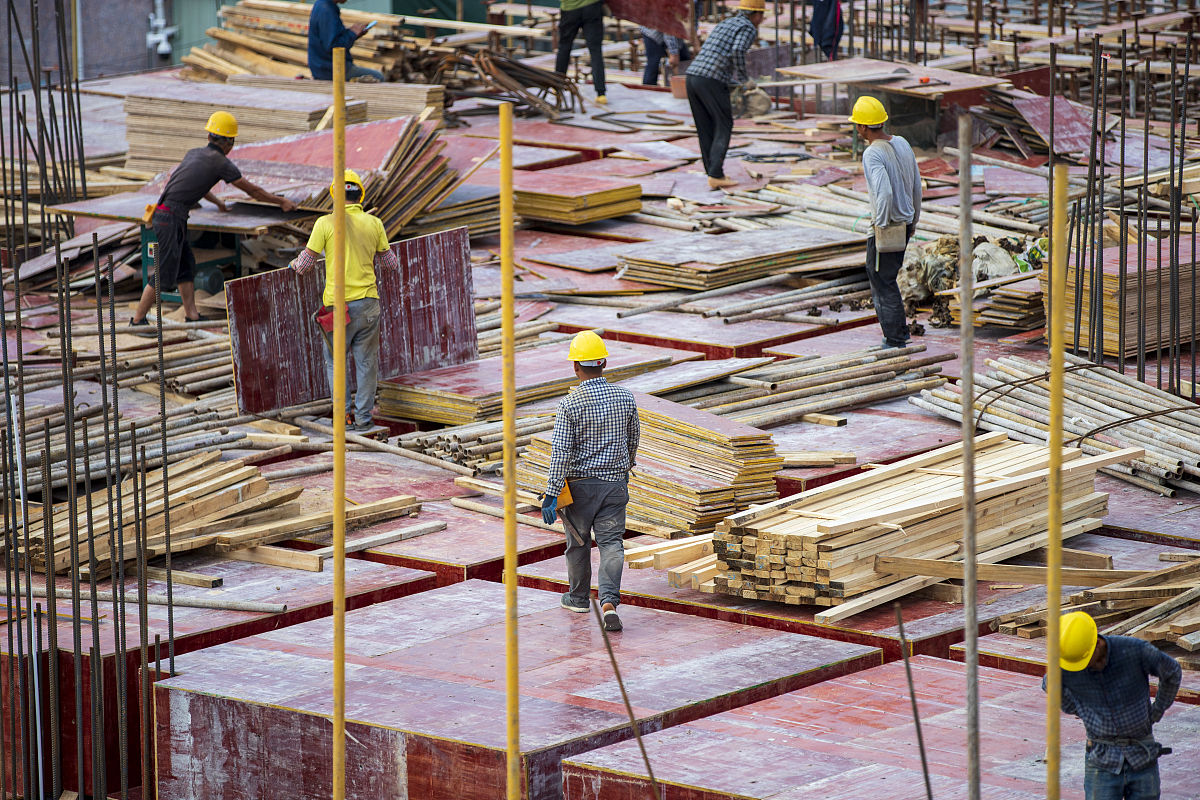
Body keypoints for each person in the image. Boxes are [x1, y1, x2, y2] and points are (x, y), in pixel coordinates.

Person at [130, 111, 296, 330]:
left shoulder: (195, 154)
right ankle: (138, 320)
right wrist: (281, 202)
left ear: (209, 137)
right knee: (166, 271)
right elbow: (253, 191)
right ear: (230, 143)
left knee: (186, 264)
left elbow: (198, 184)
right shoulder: (221, 163)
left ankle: (192, 316)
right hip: (169, 217)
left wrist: (218, 203)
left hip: (168, 215)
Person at [541, 331, 639, 632]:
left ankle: (579, 598)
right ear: (604, 362)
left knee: (579, 543)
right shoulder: (625, 397)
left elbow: (561, 453)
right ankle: (609, 602)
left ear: (575, 367)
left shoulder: (570, 405)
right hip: (614, 485)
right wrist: (625, 467)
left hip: (581, 488)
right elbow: (633, 438)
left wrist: (551, 493)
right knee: (611, 544)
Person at [288, 170, 398, 431]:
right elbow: (390, 265)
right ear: (360, 194)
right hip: (368, 305)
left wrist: (292, 264)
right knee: (366, 364)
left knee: (336, 364)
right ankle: (363, 419)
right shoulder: (375, 223)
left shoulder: (326, 223)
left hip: (337, 309)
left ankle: (343, 419)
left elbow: (304, 266)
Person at [1046, 611, 1182, 800]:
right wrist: (1081, 709)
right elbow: (1050, 686)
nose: (1082, 667)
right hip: (1102, 759)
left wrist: (1157, 710)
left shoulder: (1134, 650)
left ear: (1096, 643)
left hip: (1141, 753)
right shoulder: (1069, 662)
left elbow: (1172, 671)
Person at [851, 94, 922, 349]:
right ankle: (897, 334)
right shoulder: (902, 143)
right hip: (904, 225)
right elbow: (916, 184)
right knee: (887, 278)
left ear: (861, 126)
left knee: (882, 281)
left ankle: (895, 339)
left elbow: (884, 193)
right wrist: (914, 220)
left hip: (887, 228)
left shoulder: (872, 153)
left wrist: (879, 226)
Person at [685, 0, 764, 190]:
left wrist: (732, 81)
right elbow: (737, 50)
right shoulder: (748, 27)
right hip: (711, 80)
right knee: (724, 124)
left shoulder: (725, 23)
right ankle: (715, 174)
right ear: (756, 15)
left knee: (705, 127)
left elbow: (717, 53)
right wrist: (745, 80)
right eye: (761, 15)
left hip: (692, 76)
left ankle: (712, 172)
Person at [307, 0, 383, 82]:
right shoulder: (327, 10)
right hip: (329, 69)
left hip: (323, 67)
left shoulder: (323, 4)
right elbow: (334, 47)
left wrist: (354, 33)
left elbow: (332, 38)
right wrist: (352, 33)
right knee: (378, 77)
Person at [554, 0, 607, 105]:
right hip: (592, 6)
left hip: (570, 8)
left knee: (564, 48)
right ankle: (601, 93)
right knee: (595, 51)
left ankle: (557, 87)